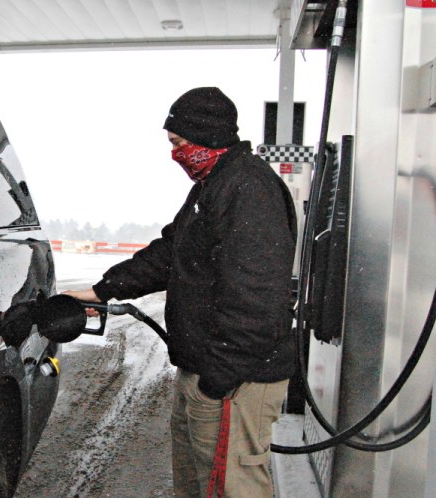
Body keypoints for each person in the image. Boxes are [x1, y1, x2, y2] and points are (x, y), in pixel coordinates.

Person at [64, 87, 297, 497]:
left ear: (204, 135)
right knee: (196, 484)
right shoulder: (212, 185)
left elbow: (256, 298)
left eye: (177, 143)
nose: (174, 154)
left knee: (231, 488)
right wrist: (104, 289)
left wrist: (217, 380)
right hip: (206, 368)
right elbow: (172, 252)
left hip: (235, 379)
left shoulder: (249, 188)